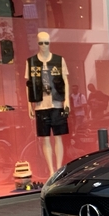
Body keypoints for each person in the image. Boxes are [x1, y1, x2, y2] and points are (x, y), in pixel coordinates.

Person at [25, 31, 70, 176]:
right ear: (37, 44)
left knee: (58, 136)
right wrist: (29, 105)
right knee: (45, 139)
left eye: (46, 42)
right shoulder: (31, 62)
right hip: (40, 104)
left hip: (57, 103)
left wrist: (67, 100)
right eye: (40, 43)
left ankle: (58, 168)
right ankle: (51, 170)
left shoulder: (59, 60)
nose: (44, 46)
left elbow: (65, 80)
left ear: (50, 43)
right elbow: (28, 84)